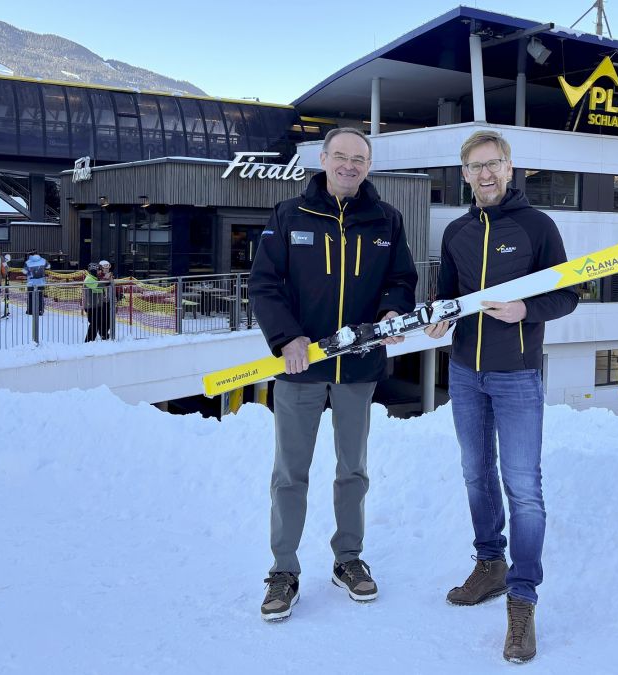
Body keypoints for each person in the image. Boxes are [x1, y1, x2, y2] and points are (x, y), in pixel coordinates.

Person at [248, 127, 418, 622]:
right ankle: (283, 569)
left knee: (353, 471)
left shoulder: (387, 219)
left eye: (358, 159)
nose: (349, 165)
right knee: (290, 473)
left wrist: (392, 312)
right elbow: (264, 283)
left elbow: (401, 279)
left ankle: (348, 559)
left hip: (359, 368)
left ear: (369, 166)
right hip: (300, 367)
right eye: (340, 156)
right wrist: (286, 337)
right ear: (323, 159)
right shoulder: (289, 214)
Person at [425, 129, 578, 663]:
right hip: (465, 373)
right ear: (464, 174)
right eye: (475, 166)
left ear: (510, 169)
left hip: (516, 376)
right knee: (475, 473)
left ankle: (522, 598)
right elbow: (448, 295)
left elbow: (568, 294)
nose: (485, 174)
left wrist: (526, 310)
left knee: (524, 487)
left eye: (494, 164)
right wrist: (440, 317)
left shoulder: (538, 227)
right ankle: (490, 564)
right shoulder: (457, 231)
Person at [83, 262, 108, 342]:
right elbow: (98, 287)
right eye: (98, 270)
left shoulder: (94, 278)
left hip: (96, 305)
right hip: (91, 305)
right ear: (94, 271)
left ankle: (103, 335)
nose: (100, 272)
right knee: (94, 323)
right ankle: (88, 341)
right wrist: (106, 281)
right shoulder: (89, 279)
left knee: (99, 322)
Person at [23, 248, 49, 316]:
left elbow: (24, 271)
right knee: (40, 296)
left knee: (30, 296)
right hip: (41, 282)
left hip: (31, 283)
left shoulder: (27, 262)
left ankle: (30, 310)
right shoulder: (43, 260)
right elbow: (48, 266)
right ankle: (40, 310)